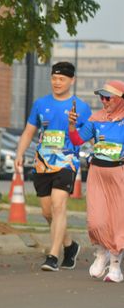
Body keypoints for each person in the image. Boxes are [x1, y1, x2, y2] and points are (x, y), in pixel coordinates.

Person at [15, 62, 92, 272]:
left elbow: (91, 134)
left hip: (67, 162)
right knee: (47, 212)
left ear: (72, 80)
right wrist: (19, 153)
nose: (57, 82)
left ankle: (53, 256)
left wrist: (99, 156)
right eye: (54, 78)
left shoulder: (81, 107)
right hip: (42, 163)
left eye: (62, 79)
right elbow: (29, 131)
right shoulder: (40, 104)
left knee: (59, 206)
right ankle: (70, 245)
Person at [68, 80, 124, 282]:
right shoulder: (96, 118)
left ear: (120, 99)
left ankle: (115, 266)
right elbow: (77, 140)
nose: (104, 101)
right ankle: (101, 253)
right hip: (97, 174)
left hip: (119, 175)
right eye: (102, 97)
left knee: (117, 221)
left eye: (108, 98)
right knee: (95, 220)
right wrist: (71, 125)